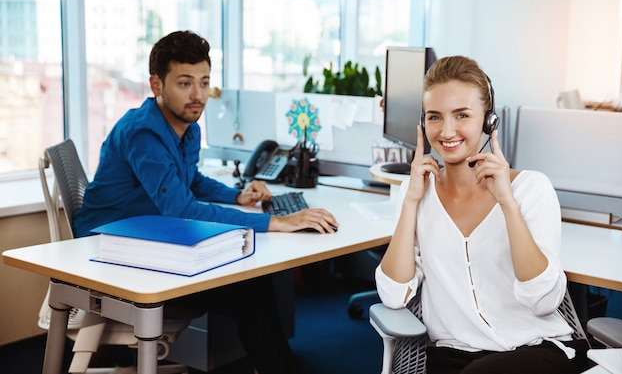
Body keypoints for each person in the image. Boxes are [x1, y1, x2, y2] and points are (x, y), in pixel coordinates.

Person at [74, 30, 339, 374]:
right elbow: (181, 210)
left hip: (148, 238)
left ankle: (274, 364)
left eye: (204, 82)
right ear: (157, 86)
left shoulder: (187, 124)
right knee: (251, 289)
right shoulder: (144, 133)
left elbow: (191, 180)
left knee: (254, 278)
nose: (198, 95)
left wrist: (236, 196)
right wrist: (276, 222)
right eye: (185, 83)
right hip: (110, 255)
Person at [375, 55, 589, 374]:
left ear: (489, 121)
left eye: (462, 115)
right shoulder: (417, 193)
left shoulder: (531, 188)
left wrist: (507, 203)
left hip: (536, 349)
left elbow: (543, 301)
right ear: (423, 123)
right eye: (435, 117)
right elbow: (393, 296)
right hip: (453, 355)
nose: (447, 131)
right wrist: (410, 202)